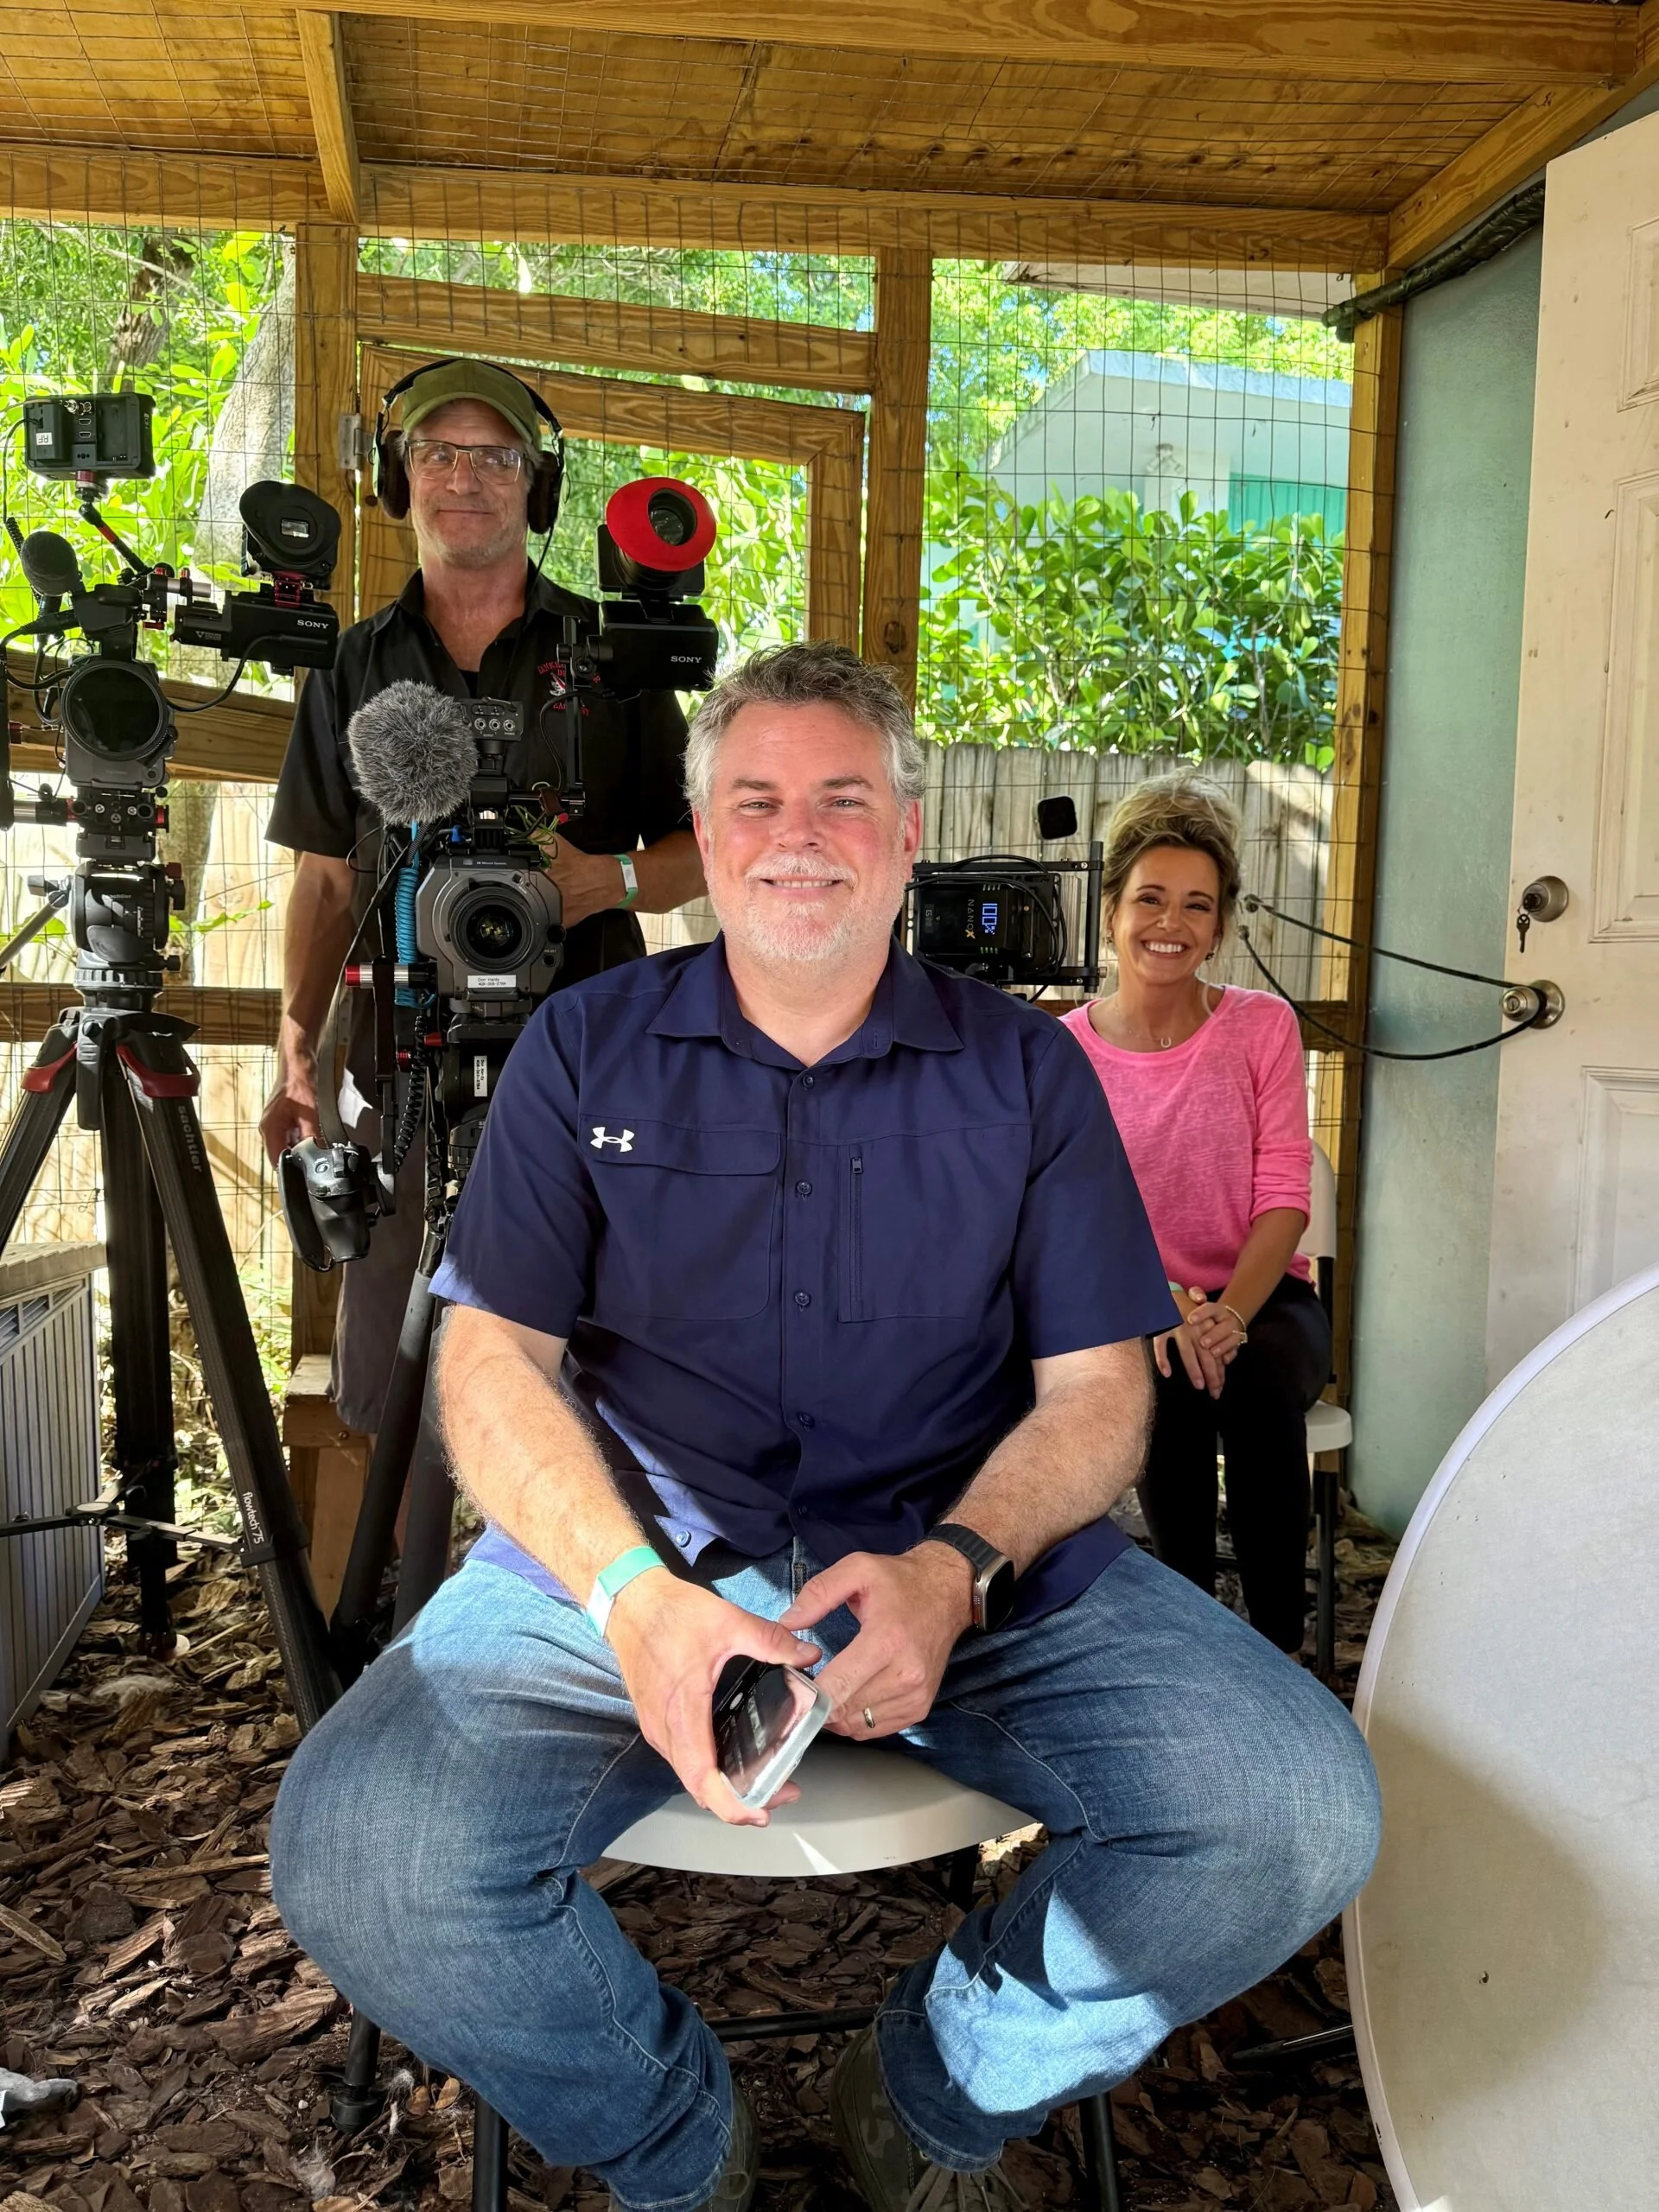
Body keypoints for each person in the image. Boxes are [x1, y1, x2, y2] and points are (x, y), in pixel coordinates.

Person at [270, 645, 1379, 2212]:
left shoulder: (1024, 1073)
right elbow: (494, 1359)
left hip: (967, 1563)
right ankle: (679, 2142)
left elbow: (1097, 1396)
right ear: (707, 842)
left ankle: (928, 2093)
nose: (799, 834)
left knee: (1296, 1813)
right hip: (628, 1567)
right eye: (758, 800)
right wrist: (633, 1598)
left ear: (908, 835)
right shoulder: (583, 1051)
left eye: (844, 798)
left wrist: (959, 1565)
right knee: (357, 1855)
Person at [261, 355, 705, 1435]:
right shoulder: (351, 665)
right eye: (438, 452)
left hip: (588, 1066)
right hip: (402, 1067)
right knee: (392, 1385)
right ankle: (398, 1589)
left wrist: (612, 880)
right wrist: (293, 1040)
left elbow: (709, 848)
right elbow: (326, 877)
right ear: (399, 476)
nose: (466, 477)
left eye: (496, 457)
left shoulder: (616, 656)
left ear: (536, 485)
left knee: (595, 1386)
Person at [1061, 775, 1330, 1654]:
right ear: (1110, 910)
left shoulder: (1262, 1028)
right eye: (1149, 898)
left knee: (1252, 1377)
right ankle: (1192, 1647)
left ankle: (1282, 1650)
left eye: (1196, 905)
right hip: (1133, 1301)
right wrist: (1164, 1305)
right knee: (1164, 1384)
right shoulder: (1065, 1051)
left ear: (1220, 924)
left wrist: (1229, 1315)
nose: (1169, 923)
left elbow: (1286, 1194)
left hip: (1263, 1295)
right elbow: (1069, 1216)